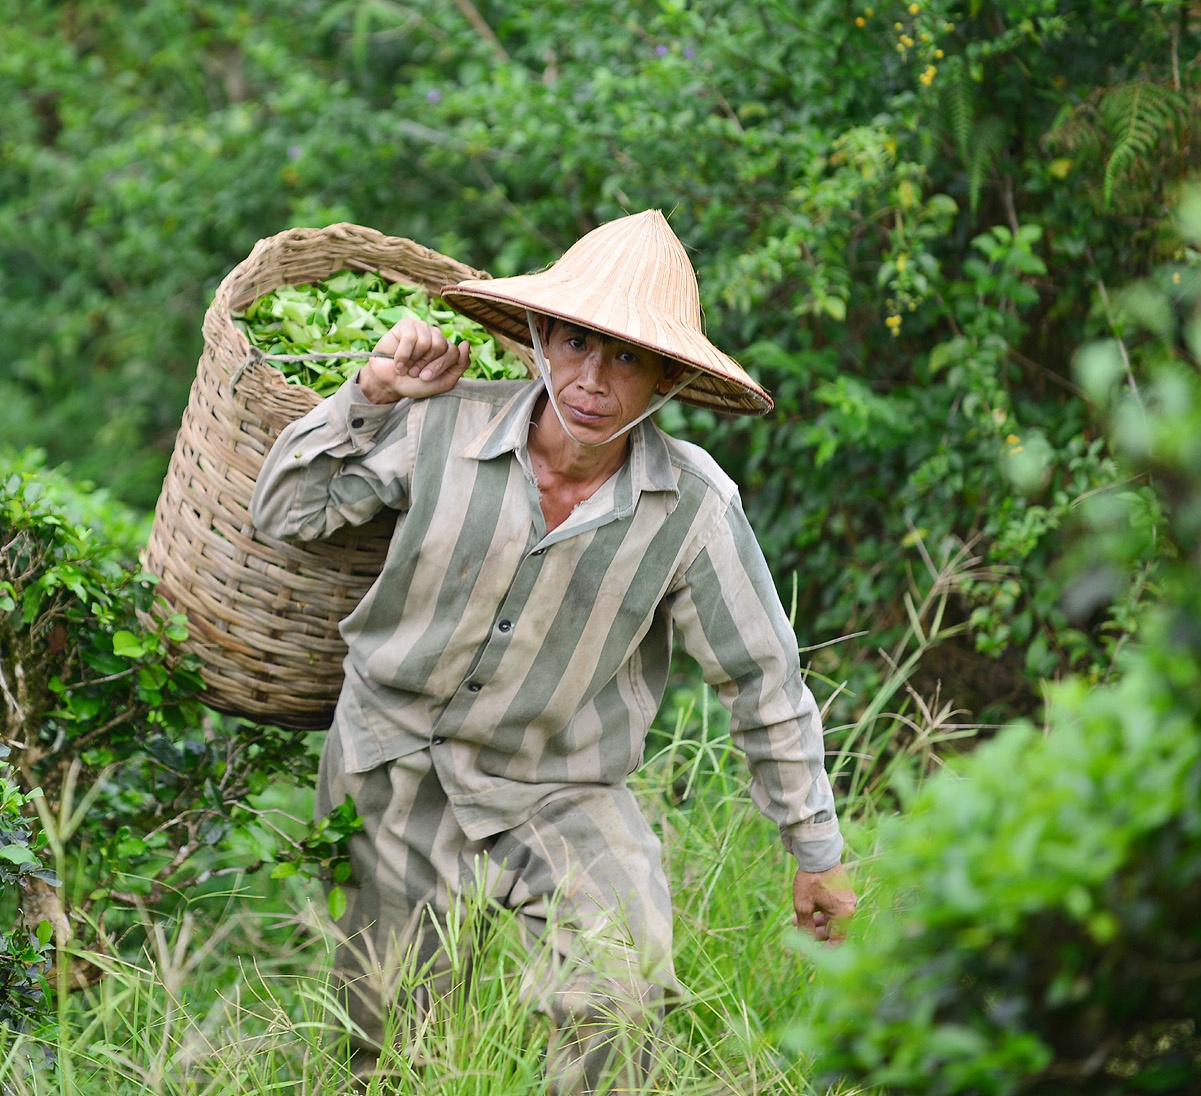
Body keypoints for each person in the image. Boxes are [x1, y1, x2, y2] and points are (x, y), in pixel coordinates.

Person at [249, 209, 855, 1092]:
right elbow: (286, 515)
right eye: (576, 341)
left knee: (619, 987)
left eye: (627, 358)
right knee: (394, 1044)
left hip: (560, 782)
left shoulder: (691, 508)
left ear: (667, 381)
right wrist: (370, 395)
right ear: (538, 335)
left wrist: (816, 851)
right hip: (394, 760)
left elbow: (763, 681)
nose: (592, 380)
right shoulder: (441, 427)